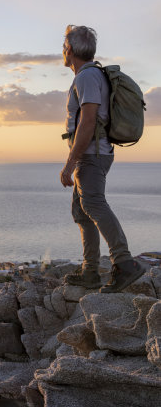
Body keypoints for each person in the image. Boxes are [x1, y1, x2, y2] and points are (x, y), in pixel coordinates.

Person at [59, 25, 144, 292]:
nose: (63, 50)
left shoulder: (86, 77)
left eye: (64, 46)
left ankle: (124, 263)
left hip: (91, 155)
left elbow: (88, 121)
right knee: (82, 211)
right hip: (93, 153)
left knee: (94, 205)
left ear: (69, 50)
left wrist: (69, 164)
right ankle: (90, 271)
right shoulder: (91, 75)